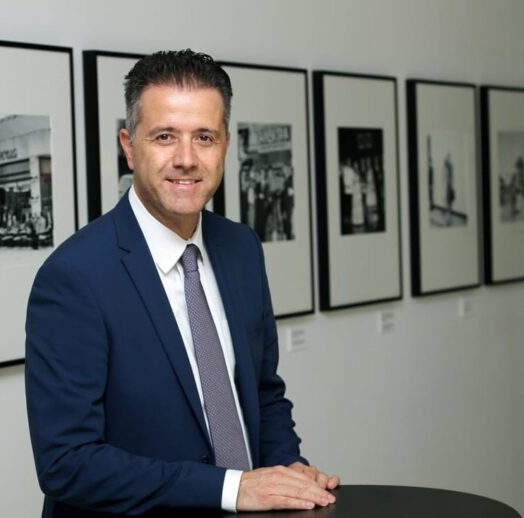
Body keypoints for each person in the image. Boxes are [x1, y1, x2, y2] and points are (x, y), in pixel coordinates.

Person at [25, 50, 339, 518]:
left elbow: (263, 392)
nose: (187, 159)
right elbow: (67, 462)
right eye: (165, 136)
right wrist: (231, 489)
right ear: (129, 146)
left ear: (225, 144)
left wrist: (287, 469)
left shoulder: (242, 249)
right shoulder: (75, 277)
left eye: (204, 137)